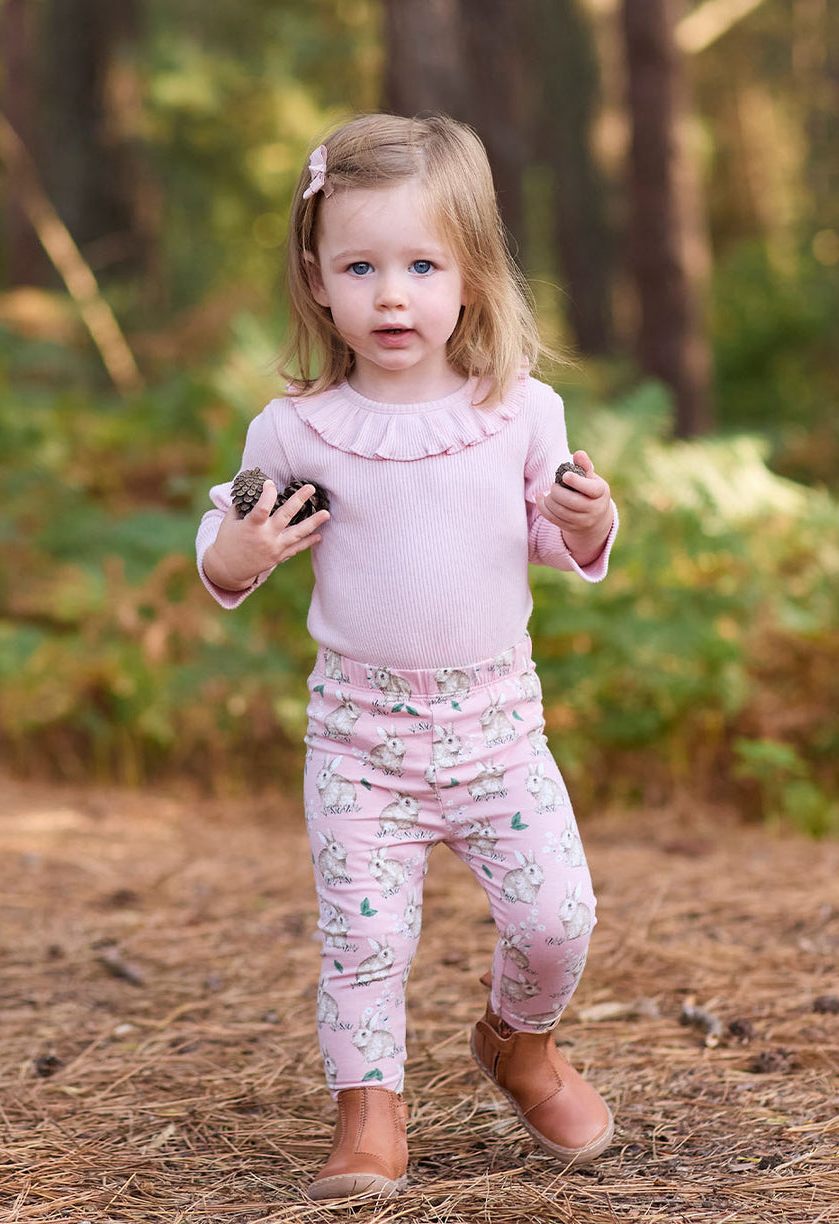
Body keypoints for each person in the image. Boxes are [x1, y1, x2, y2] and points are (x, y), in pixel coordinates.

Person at [196, 113, 619, 1202]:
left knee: (556, 919)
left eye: (422, 266)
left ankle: (519, 1047)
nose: (393, 296)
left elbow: (553, 533)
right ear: (317, 278)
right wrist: (236, 551)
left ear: (471, 275)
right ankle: (369, 1117)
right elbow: (228, 534)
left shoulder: (519, 412)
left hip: (497, 730)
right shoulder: (296, 430)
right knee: (365, 938)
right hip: (360, 738)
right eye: (361, 267)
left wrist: (585, 522)